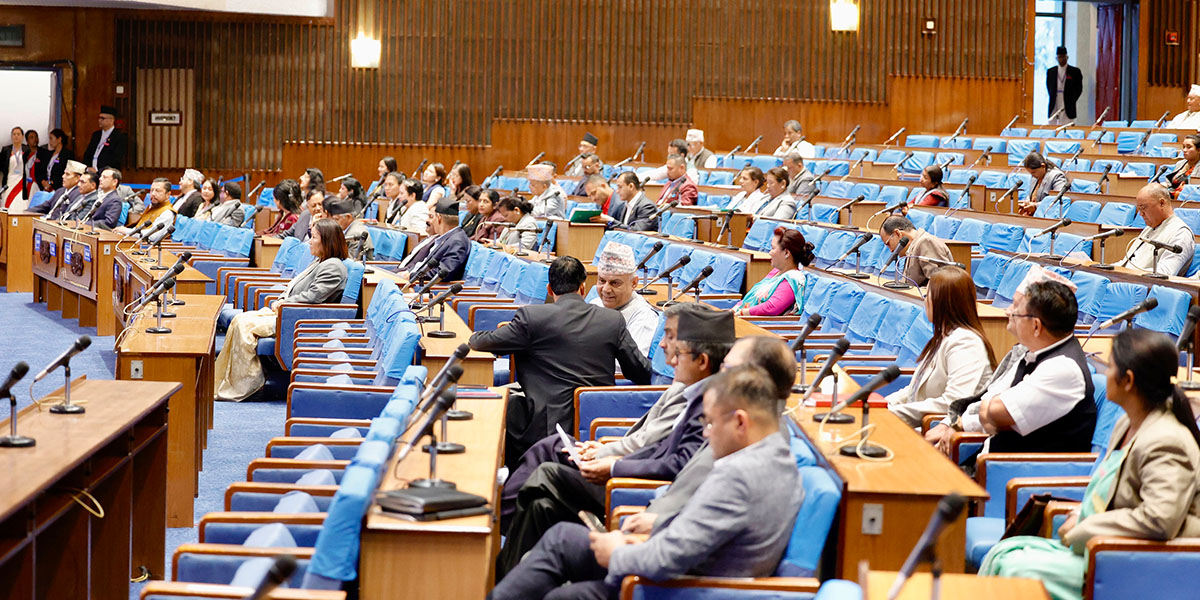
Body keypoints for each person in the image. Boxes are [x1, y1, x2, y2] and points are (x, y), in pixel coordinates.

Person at [489, 364, 803, 600]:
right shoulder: (780, 456)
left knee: (563, 593)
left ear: (740, 422)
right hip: (682, 564)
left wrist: (617, 552)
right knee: (561, 537)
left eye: (710, 423)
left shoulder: (738, 478)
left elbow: (668, 559)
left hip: (678, 587)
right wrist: (658, 525)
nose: (706, 434)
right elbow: (712, 531)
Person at [496, 306, 733, 579]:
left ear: (702, 361)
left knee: (546, 471)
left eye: (675, 345)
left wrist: (614, 465)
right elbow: (658, 446)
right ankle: (501, 574)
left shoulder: (710, 407)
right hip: (633, 476)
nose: (666, 351)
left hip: (635, 490)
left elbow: (676, 463)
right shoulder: (692, 392)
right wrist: (610, 455)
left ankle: (496, 527)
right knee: (541, 505)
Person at [980, 328, 1200, 600]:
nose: (1105, 374)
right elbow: (1110, 492)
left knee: (1014, 569)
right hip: (1102, 547)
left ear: (1128, 381)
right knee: (1004, 552)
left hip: (1129, 562)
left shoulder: (1166, 440)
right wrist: (1081, 513)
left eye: (1111, 367)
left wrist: (1087, 527)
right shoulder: (1127, 423)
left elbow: (1159, 520)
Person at [499, 302, 688, 531]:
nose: (663, 345)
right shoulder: (682, 388)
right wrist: (603, 448)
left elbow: (670, 460)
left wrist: (611, 460)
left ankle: (496, 520)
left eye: (670, 338)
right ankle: (501, 526)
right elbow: (650, 440)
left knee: (547, 460)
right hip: (622, 460)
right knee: (541, 503)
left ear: (699, 356)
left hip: (626, 481)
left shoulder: (698, 402)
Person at [469, 256, 652, 466]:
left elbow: (481, 342)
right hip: (596, 422)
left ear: (549, 289)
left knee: (494, 409)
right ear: (583, 288)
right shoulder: (612, 320)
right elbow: (640, 371)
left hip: (542, 424)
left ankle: (509, 475)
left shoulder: (532, 318)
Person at [621, 335, 798, 536]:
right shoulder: (733, 420)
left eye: (727, 368)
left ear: (756, 380)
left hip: (660, 534)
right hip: (659, 516)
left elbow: (708, 527)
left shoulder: (751, 441)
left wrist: (654, 527)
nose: (718, 375)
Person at [928, 269, 1095, 457]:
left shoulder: (1063, 369)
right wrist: (960, 422)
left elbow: (995, 410)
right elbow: (989, 400)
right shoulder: (1033, 353)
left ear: (1036, 326)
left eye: (1016, 308)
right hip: (989, 457)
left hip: (1017, 470)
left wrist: (975, 420)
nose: (1008, 311)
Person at [214, 218, 349, 402]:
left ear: (327, 240)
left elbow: (313, 297)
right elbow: (294, 287)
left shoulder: (333, 266)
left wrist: (284, 304)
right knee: (240, 319)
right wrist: (281, 300)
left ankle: (248, 383)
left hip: (298, 318)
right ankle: (228, 379)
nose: (309, 241)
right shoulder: (320, 261)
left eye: (314, 237)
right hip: (288, 312)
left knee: (244, 325)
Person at [886, 267, 996, 428]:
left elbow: (953, 402)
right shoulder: (945, 336)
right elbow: (914, 390)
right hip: (919, 425)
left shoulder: (966, 343)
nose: (925, 301)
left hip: (938, 431)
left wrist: (892, 414)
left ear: (944, 302)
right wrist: (883, 405)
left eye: (928, 295)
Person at [588, 242, 658, 355]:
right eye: (602, 281)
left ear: (634, 283)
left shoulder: (643, 316)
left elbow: (633, 362)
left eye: (614, 283)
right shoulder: (595, 304)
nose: (606, 289)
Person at [733, 226, 814, 316]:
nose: (770, 252)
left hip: (753, 321)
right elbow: (752, 296)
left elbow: (771, 307)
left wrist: (741, 313)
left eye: (773, 248)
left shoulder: (793, 279)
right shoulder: (775, 272)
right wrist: (734, 309)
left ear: (786, 253)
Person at [1117, 183, 1194, 277]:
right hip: (1127, 278)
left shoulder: (1181, 233)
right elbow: (1126, 263)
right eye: (1139, 209)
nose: (1141, 214)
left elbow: (1165, 273)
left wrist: (1127, 273)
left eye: (1143, 208)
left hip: (1143, 283)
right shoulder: (1149, 228)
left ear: (1162, 203)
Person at [395, 196, 470, 281]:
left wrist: (411, 276)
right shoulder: (446, 237)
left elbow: (443, 273)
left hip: (422, 285)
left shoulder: (457, 241)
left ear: (439, 218)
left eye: (432, 217)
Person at [880, 215, 955, 287]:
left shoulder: (926, 242)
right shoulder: (913, 247)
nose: (891, 250)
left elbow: (940, 285)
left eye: (888, 244)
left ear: (898, 234)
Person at [114, 177, 176, 242]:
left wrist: (126, 231)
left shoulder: (167, 212)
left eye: (157, 191)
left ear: (168, 194)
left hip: (148, 246)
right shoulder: (152, 208)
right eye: (151, 190)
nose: (153, 194)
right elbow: (138, 228)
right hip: (137, 242)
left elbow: (152, 236)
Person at [1017, 152, 1069, 216]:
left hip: (1047, 215)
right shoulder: (1034, 177)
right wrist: (1026, 203)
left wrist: (1035, 206)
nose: (1032, 175)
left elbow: (1059, 199)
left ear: (1043, 166)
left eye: (1034, 172)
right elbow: (1031, 196)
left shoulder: (1057, 176)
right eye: (1030, 173)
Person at [84, 105, 129, 171]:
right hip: (91, 171)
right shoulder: (96, 135)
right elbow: (88, 154)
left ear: (111, 120)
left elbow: (116, 159)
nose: (99, 120)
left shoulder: (119, 137)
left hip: (107, 172)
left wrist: (98, 170)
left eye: (102, 118)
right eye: (99, 118)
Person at [1046, 46, 1083, 125]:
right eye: (1059, 57)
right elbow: (1049, 87)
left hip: (1068, 100)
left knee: (1066, 124)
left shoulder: (1075, 72)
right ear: (1056, 58)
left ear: (1067, 57)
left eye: (1063, 57)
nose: (1062, 59)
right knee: (1052, 123)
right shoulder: (1051, 71)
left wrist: (1072, 99)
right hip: (1055, 99)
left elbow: (1079, 89)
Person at [1, 126, 30, 208]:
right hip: (9, 180)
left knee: (20, 204)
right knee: (7, 203)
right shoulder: (6, 150)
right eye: (14, 134)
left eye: (18, 134)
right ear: (11, 136)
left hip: (22, 181)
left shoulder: (27, 149)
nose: (16, 136)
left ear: (22, 136)